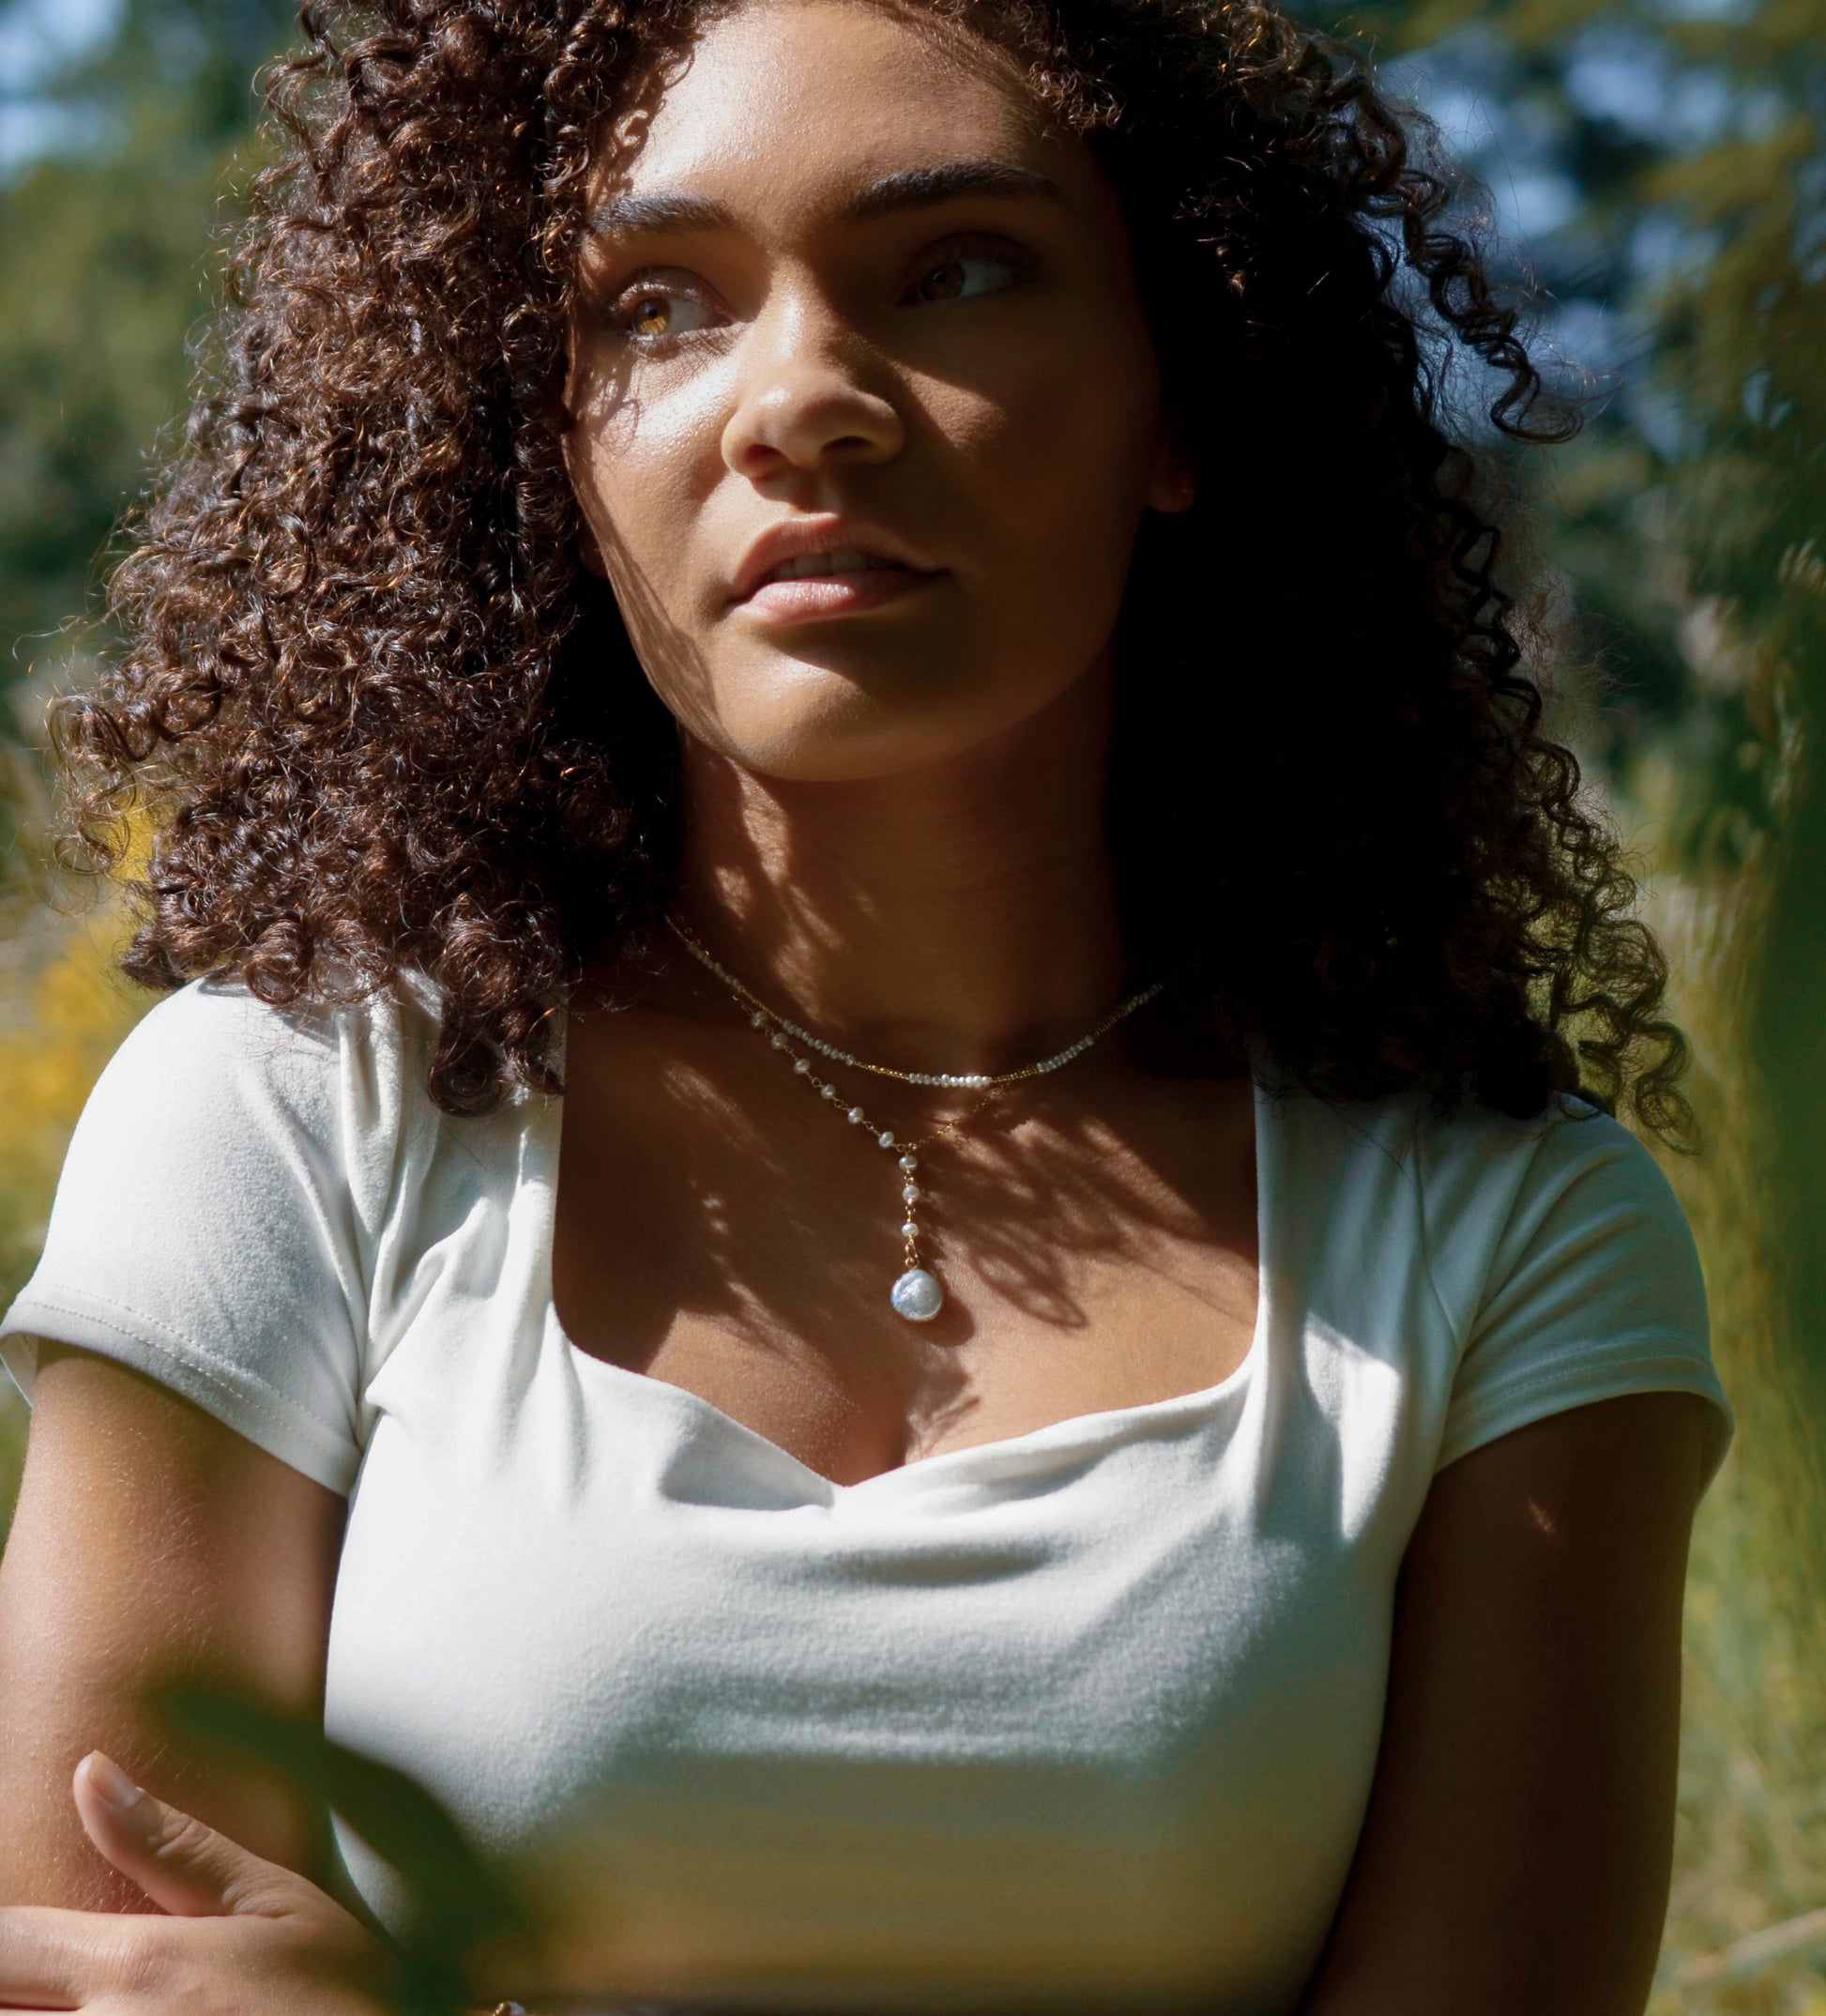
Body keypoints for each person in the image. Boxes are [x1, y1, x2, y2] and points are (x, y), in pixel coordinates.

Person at [0, 0, 1732, 2009]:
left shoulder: (1508, 1239)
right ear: (544, 436)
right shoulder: (287, 1128)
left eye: (959, 271)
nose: (799, 398)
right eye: (659, 301)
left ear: (1184, 397)